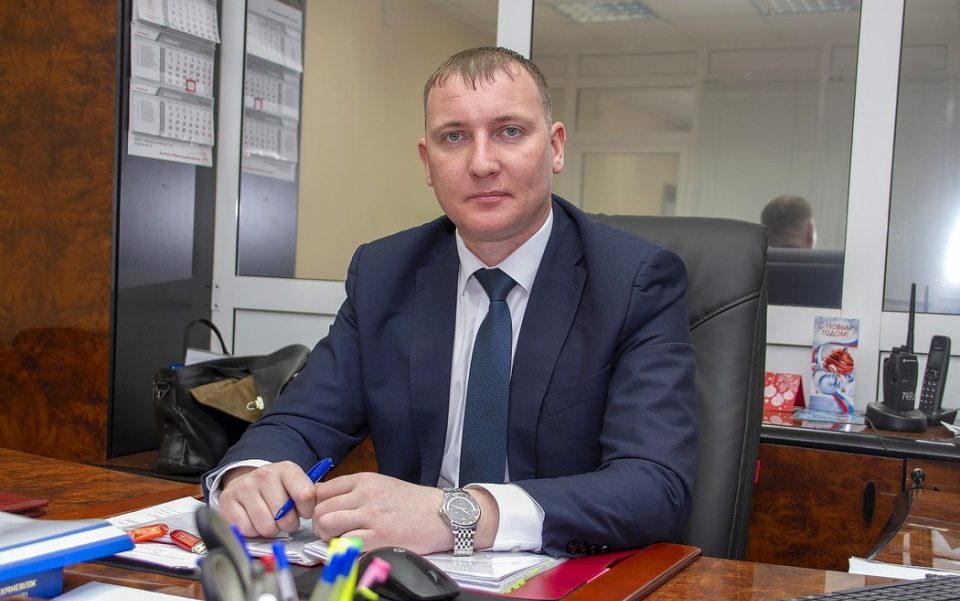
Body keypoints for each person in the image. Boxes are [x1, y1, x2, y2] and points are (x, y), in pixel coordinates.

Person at [204, 46, 698, 558]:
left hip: (566, 575)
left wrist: (459, 515)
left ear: (554, 147)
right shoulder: (384, 274)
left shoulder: (633, 282)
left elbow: (655, 485)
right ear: (428, 161)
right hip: (408, 575)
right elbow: (304, 420)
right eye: (454, 137)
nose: (481, 163)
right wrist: (250, 476)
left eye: (509, 131)